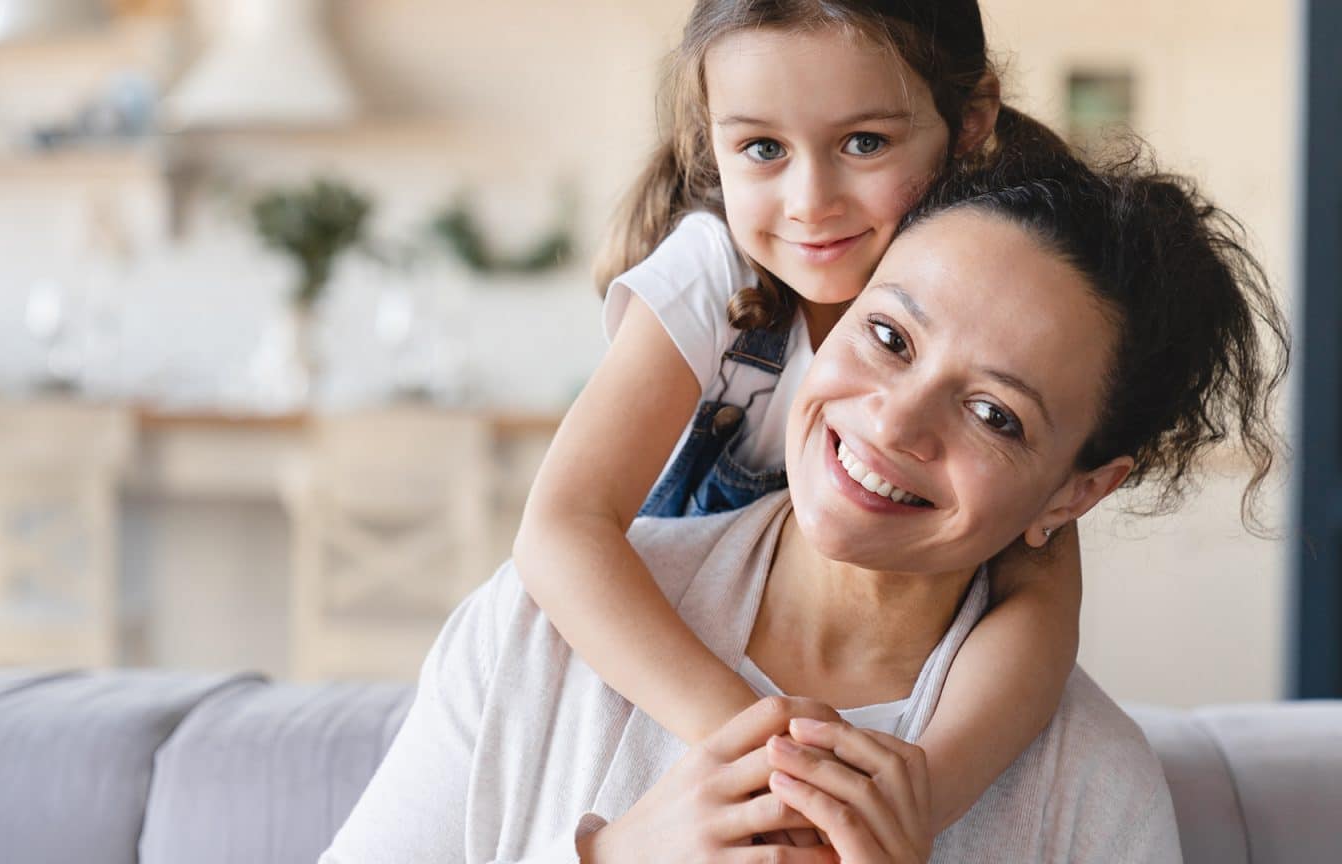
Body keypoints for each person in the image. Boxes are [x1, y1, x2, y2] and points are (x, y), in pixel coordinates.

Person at [321, 136, 1290, 862]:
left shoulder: (1088, 790)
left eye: (996, 415)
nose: (895, 423)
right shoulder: (539, 636)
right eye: (891, 338)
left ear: (1078, 492)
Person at [513, 0, 1087, 829]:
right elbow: (561, 526)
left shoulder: (986, 282)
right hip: (681, 685)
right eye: (762, 148)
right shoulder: (715, 271)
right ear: (710, 140)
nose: (810, 200)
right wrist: (761, 750)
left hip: (882, 677)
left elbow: (1041, 600)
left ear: (969, 121)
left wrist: (916, 800)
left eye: (864, 143)